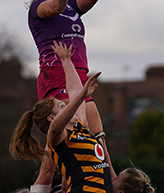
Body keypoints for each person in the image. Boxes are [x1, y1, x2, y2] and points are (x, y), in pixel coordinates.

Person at [10, 41, 113, 193]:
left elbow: (75, 91)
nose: (67, 105)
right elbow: (72, 104)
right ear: (51, 119)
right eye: (61, 106)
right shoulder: (57, 137)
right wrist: (80, 98)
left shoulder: (80, 127)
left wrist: (66, 60)